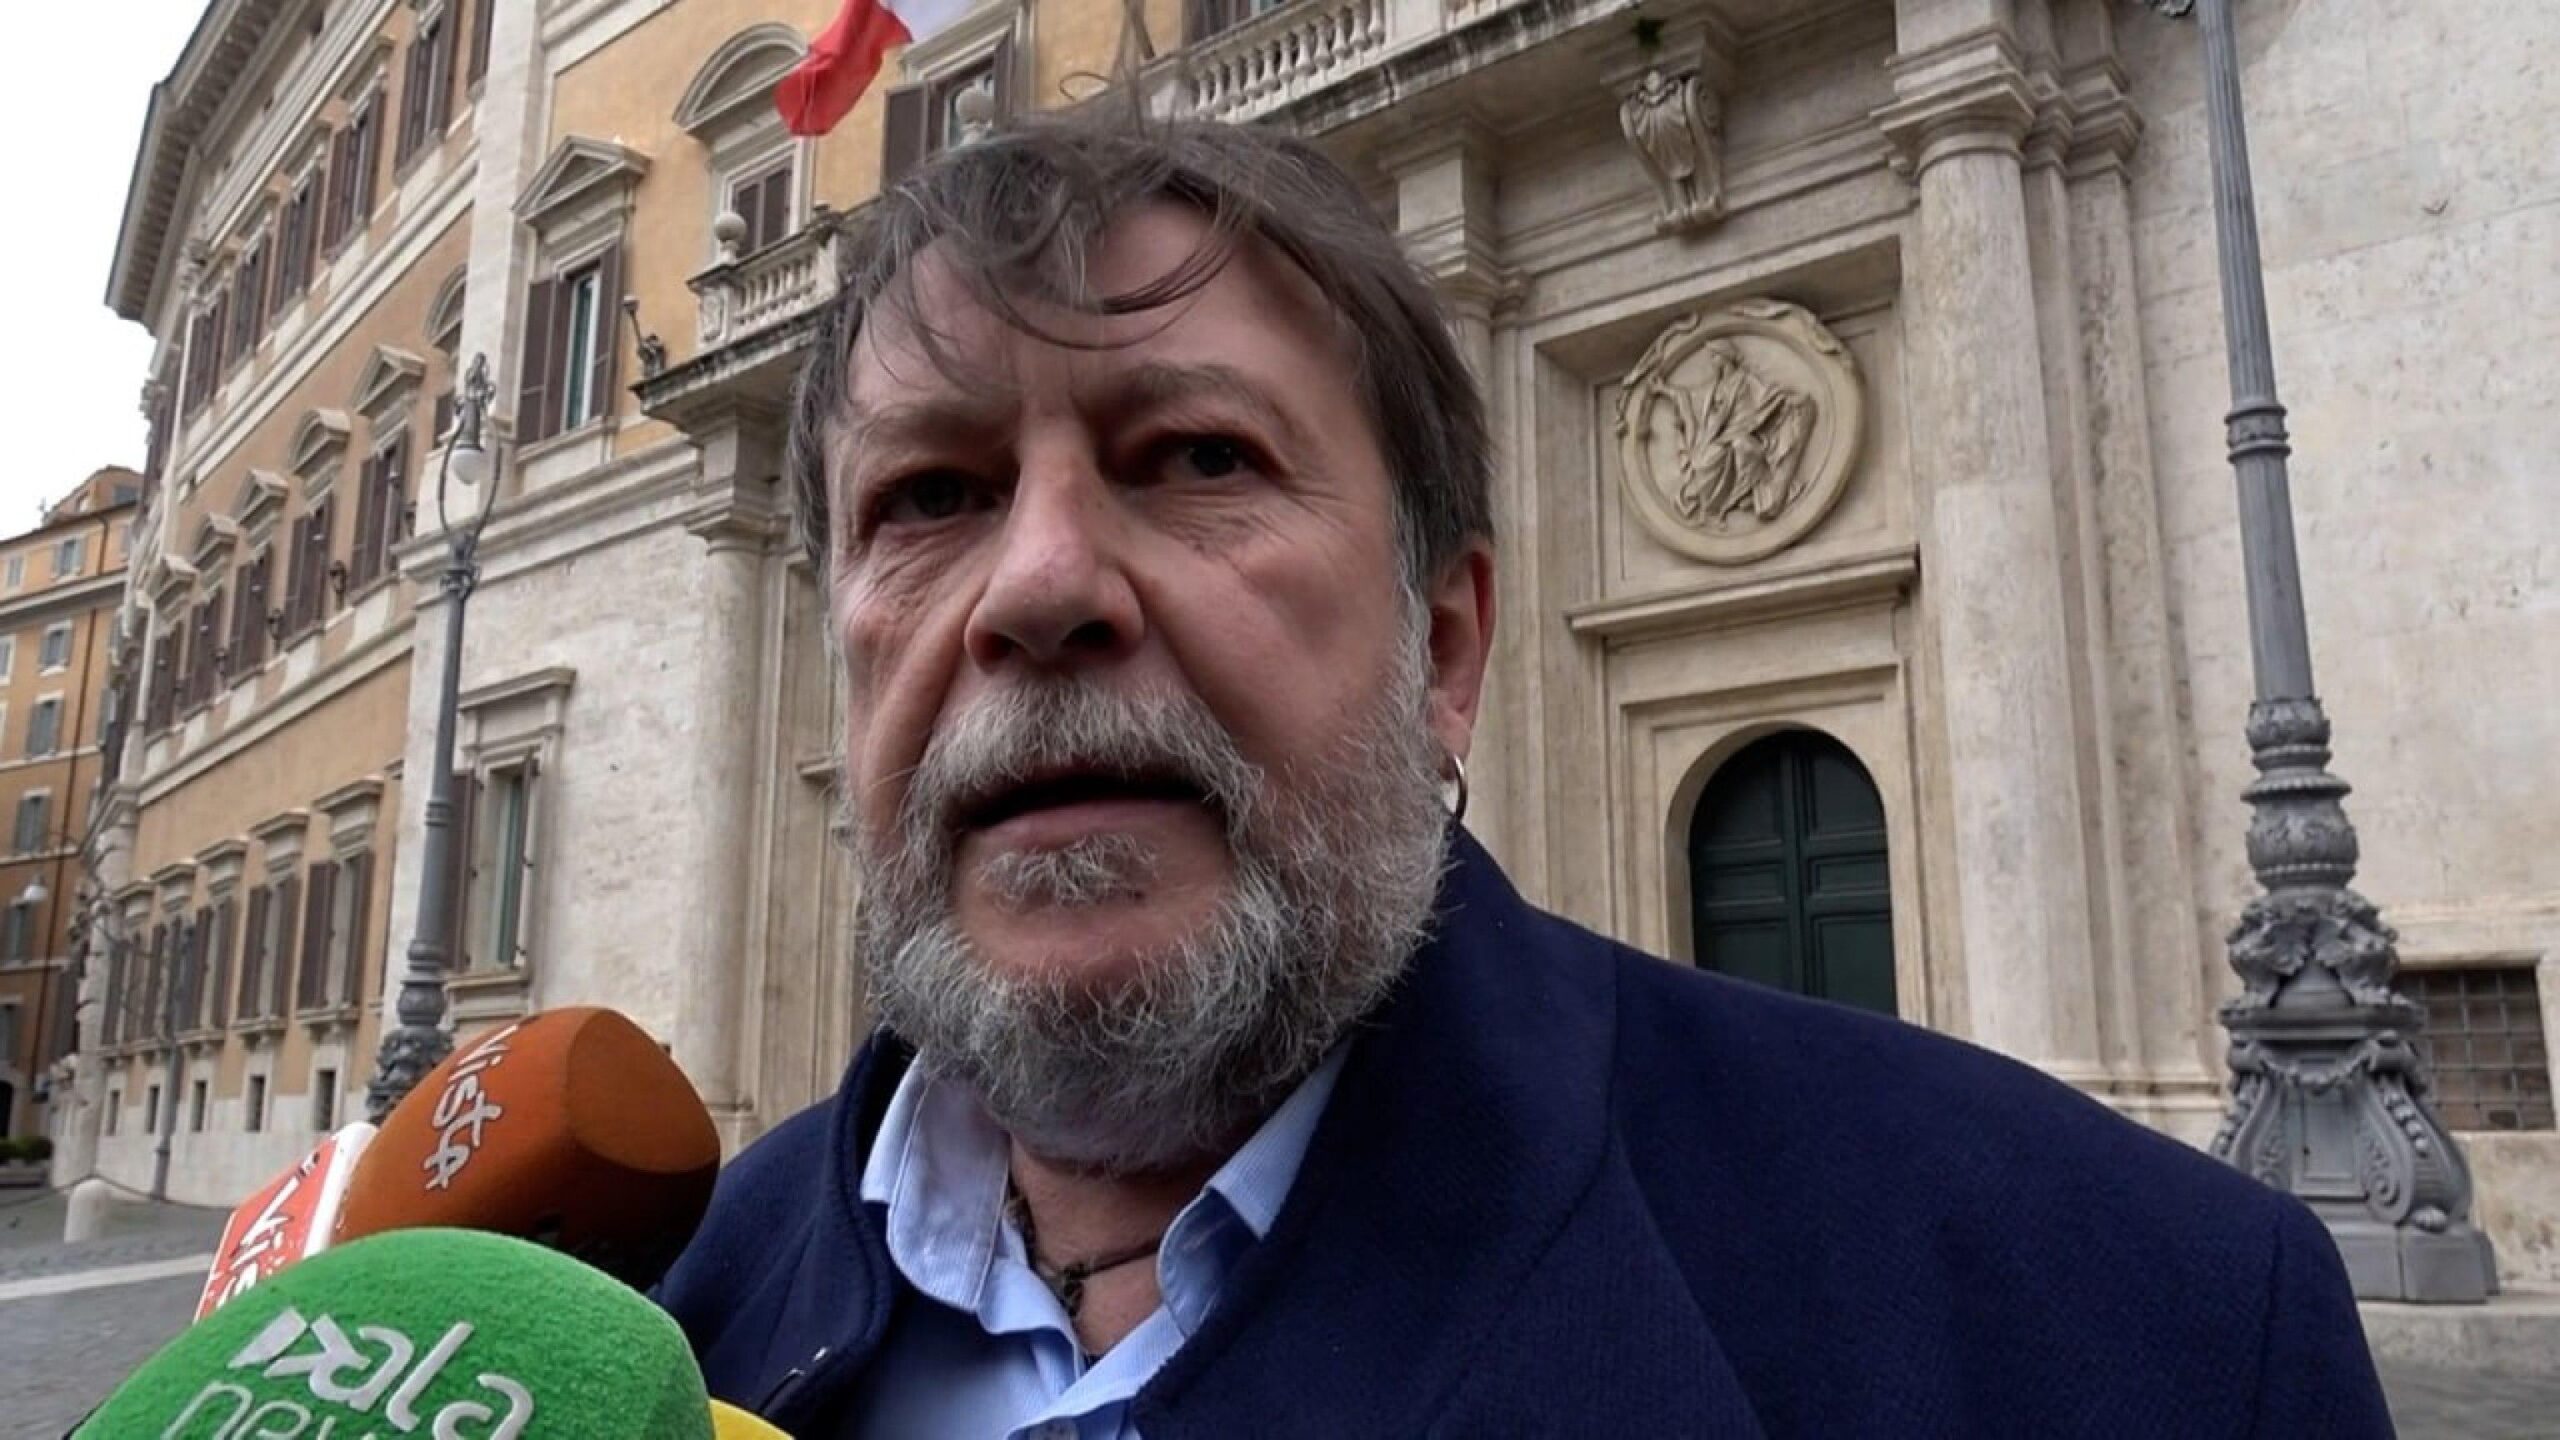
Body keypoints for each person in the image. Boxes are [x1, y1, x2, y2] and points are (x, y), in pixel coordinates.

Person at [654, 111, 2393, 1438]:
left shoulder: (2140, 1329)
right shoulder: (658, 1321)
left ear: (1445, 647)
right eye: (929, 498)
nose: (1038, 586)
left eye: (1195, 457)